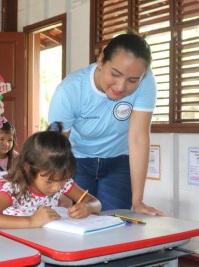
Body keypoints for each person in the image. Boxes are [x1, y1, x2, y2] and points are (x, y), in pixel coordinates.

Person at [48, 30, 166, 216]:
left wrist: (138, 201)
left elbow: (138, 138)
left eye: (132, 80)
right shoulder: (70, 90)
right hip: (78, 162)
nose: (121, 87)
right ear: (101, 60)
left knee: (115, 224)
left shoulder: (146, 82)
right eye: (115, 74)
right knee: (78, 220)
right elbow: (55, 146)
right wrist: (57, 188)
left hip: (118, 162)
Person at [0, 122, 101, 229]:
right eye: (49, 181)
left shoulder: (63, 183)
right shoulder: (15, 189)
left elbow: (95, 203)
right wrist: (31, 221)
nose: (57, 188)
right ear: (30, 168)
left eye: (62, 180)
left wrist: (88, 207)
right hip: (15, 245)